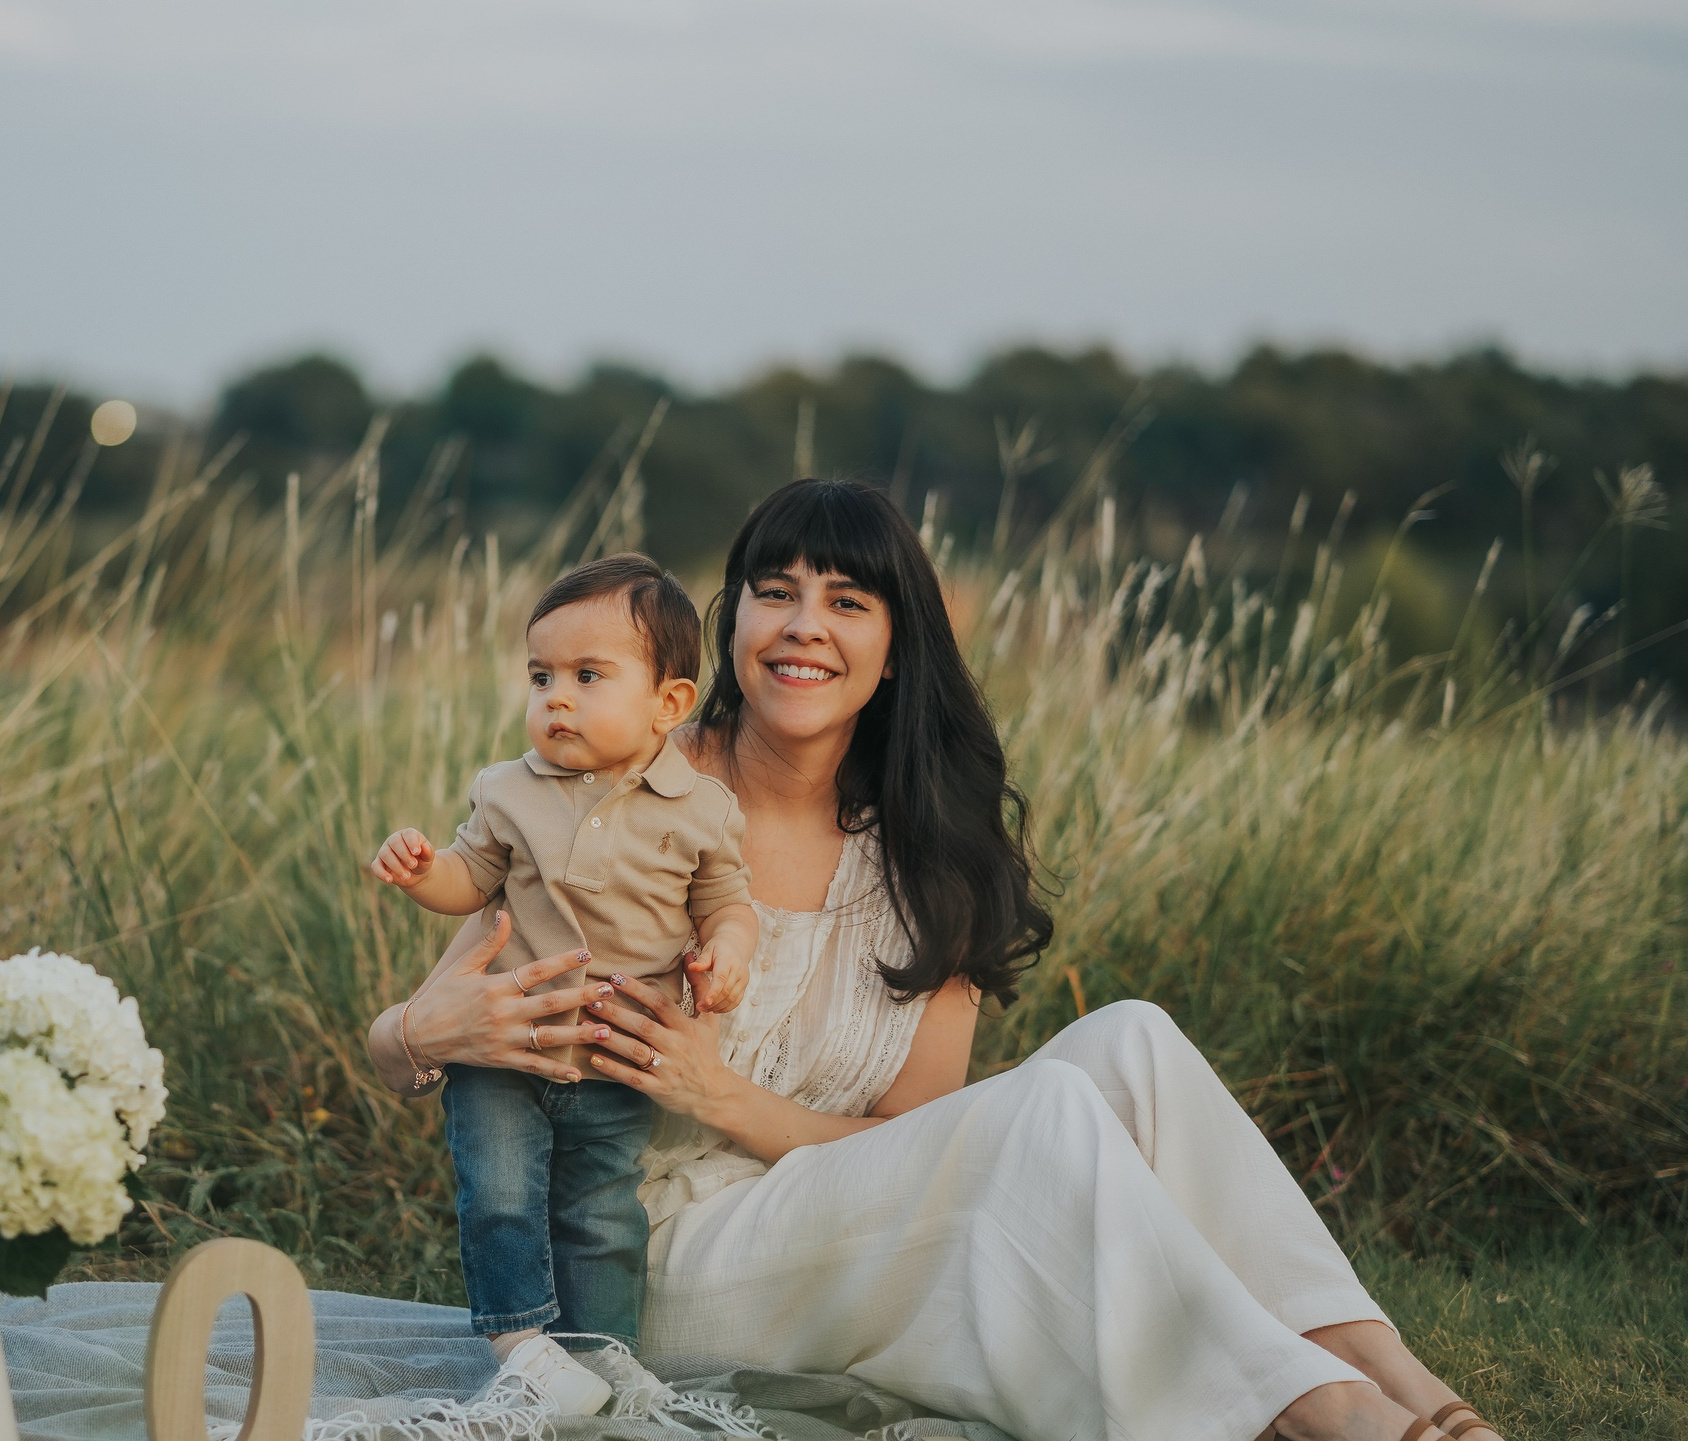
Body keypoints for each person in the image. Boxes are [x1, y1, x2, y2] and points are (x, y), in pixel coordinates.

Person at [366, 479, 1505, 1441]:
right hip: (643, 1251)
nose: (803, 626)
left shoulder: (927, 856)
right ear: (730, 626)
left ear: (894, 647)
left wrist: (722, 1095)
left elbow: (909, 1137)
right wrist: (422, 1033)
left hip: (836, 1218)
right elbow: (412, 1026)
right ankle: (1319, 1413)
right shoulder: (627, 792)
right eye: (775, 592)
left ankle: (1398, 1381)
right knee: (1042, 1109)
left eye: (846, 601)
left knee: (1135, 1042)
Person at [368, 554, 759, 1416]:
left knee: (602, 1212)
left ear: (669, 702)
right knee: (500, 1194)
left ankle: (604, 1353)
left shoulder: (701, 808)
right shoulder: (507, 789)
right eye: (541, 675)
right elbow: (469, 878)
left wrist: (727, 953)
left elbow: (727, 902)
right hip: (502, 1050)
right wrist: (425, 869)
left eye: (588, 676)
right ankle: (521, 1345)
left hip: (613, 1056)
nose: (557, 698)